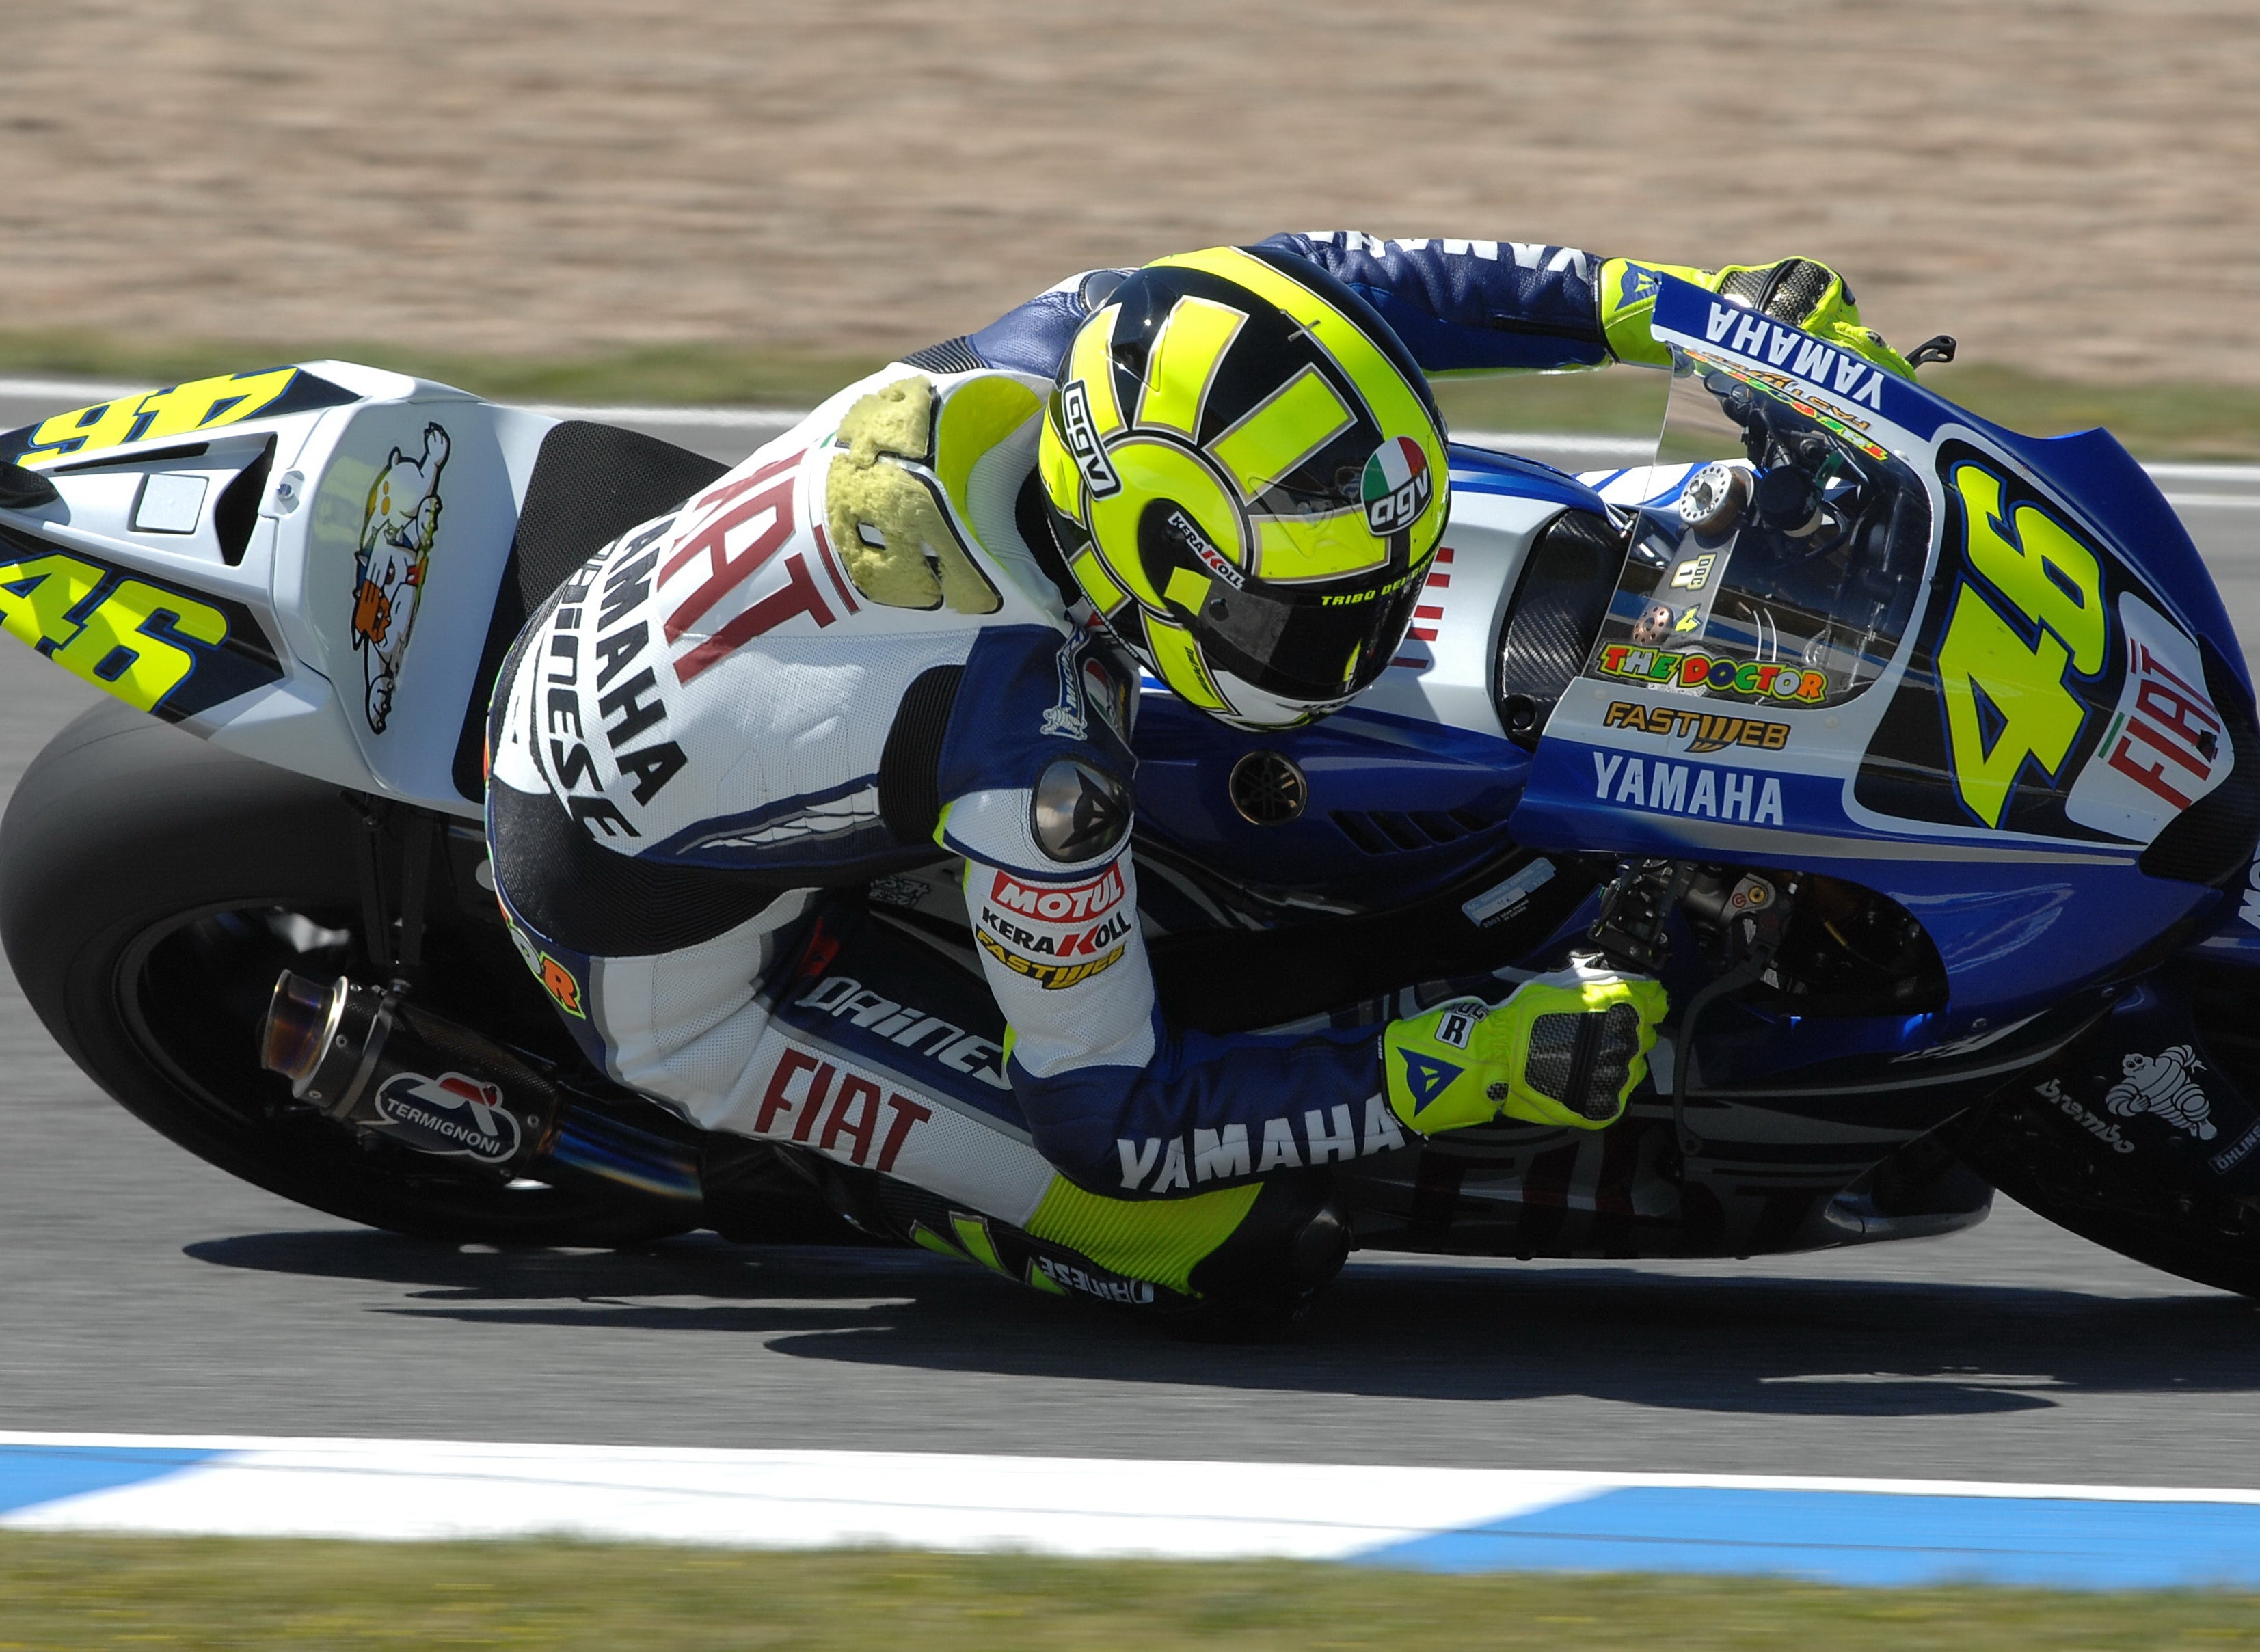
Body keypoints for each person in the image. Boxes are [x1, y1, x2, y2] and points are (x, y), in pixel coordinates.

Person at [482, 235, 1913, 1321]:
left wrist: (1662, 309)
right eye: (1312, 617)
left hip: (657, 652)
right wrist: (1460, 1061)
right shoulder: (1032, 757)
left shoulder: (1092, 346)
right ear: (1165, 556)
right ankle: (818, 1169)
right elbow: (1119, 1121)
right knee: (1230, 1241)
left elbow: (1341, 285)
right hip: (665, 959)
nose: (1353, 642)